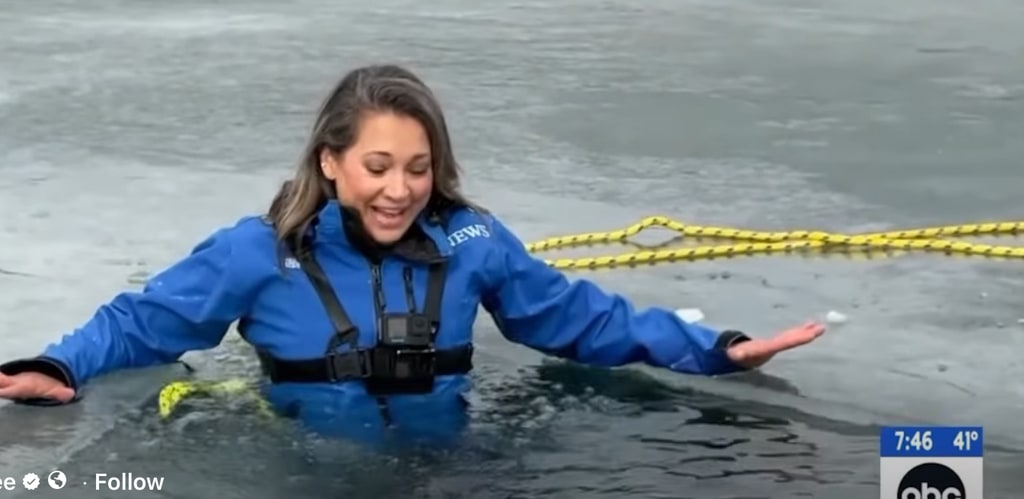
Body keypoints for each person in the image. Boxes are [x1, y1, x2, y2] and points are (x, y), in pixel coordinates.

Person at [0, 64, 825, 447]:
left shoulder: (472, 241)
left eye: (419, 168)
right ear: (331, 162)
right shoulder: (260, 252)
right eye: (378, 166)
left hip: (457, 467)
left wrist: (715, 348)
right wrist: (57, 365)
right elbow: (142, 322)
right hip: (311, 475)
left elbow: (576, 317)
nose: (401, 190)